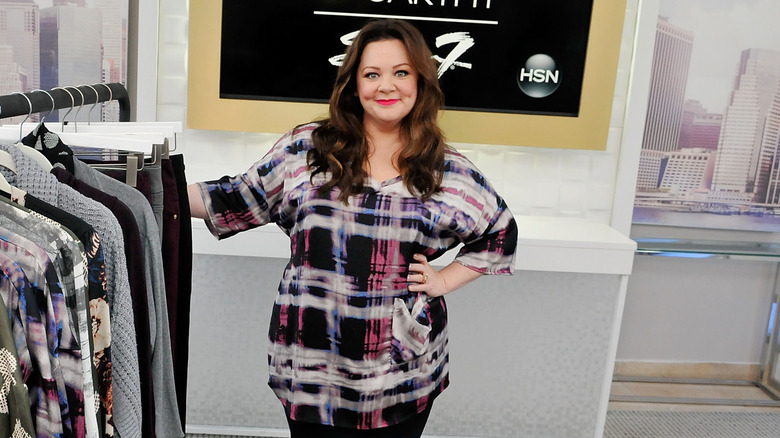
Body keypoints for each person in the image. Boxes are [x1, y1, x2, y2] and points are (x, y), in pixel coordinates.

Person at [188, 18, 517, 438]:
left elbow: (500, 232)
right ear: (353, 83)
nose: (387, 86)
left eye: (401, 73)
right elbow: (235, 197)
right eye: (372, 74)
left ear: (420, 82)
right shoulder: (307, 149)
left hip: (399, 369)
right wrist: (149, 191)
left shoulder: (445, 169)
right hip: (312, 360)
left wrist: (445, 280)